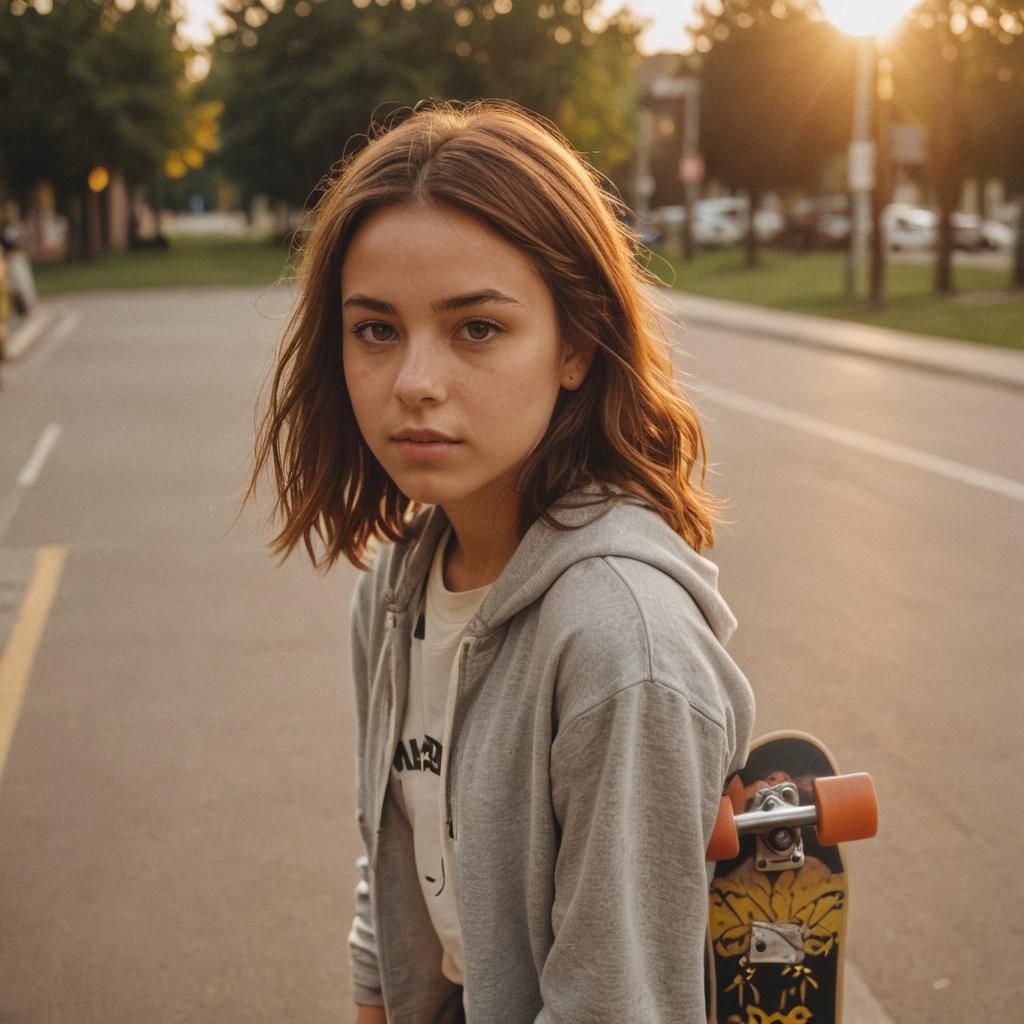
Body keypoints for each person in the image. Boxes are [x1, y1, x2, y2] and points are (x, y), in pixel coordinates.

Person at [248, 99, 754, 1024]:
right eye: (376, 330)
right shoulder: (396, 590)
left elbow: (614, 1005)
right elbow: (396, 854)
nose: (414, 383)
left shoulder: (619, 646)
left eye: (476, 328)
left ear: (577, 344)